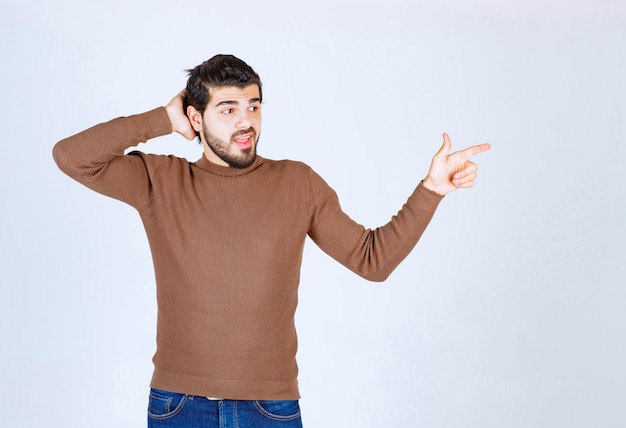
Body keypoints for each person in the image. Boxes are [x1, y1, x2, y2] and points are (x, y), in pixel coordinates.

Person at [53, 54, 490, 428]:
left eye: (254, 105)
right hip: (179, 405)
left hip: (271, 408)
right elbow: (71, 156)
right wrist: (162, 119)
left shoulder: (296, 182)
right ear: (195, 118)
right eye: (227, 109)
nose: (246, 121)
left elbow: (372, 260)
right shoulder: (160, 180)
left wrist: (431, 189)